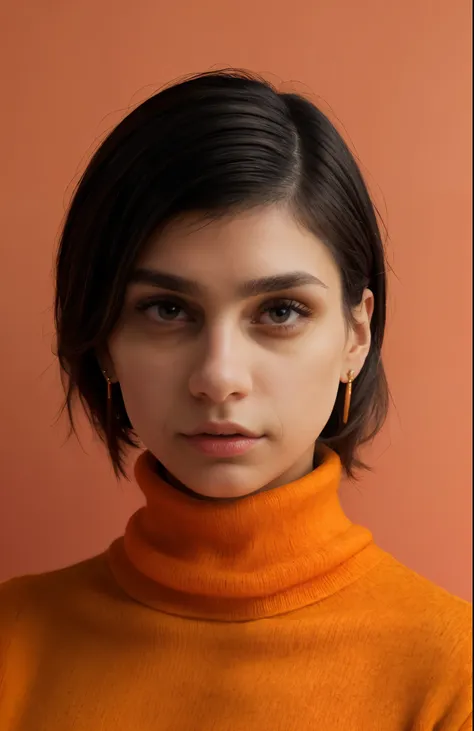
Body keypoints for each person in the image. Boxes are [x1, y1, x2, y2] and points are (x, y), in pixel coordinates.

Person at [0, 69, 471, 730]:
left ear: (355, 336)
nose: (219, 377)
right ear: (103, 339)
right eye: (167, 308)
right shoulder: (12, 647)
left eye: (279, 310)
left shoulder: (453, 676)